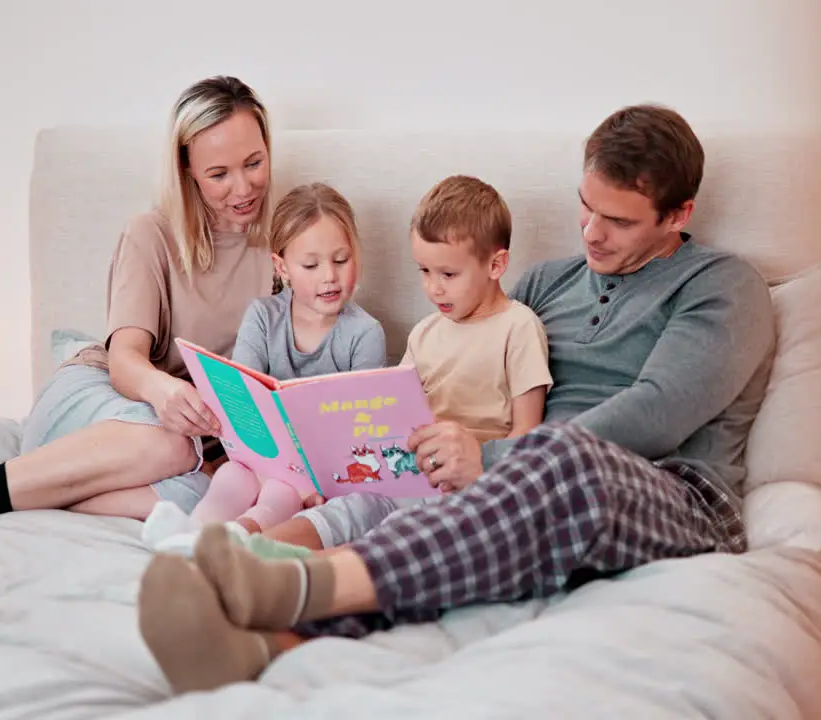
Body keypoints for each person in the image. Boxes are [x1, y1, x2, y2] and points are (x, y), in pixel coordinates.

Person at [136, 102, 779, 694]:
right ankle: (264, 639)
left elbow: (659, 411)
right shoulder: (548, 283)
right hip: (530, 488)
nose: (589, 233)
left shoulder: (722, 287)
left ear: (679, 215)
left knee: (561, 462)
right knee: (421, 511)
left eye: (617, 221)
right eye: (585, 207)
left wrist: (497, 460)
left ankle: (291, 580)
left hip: (671, 495)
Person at [0, 76, 278, 527]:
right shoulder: (152, 234)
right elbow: (125, 362)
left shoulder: (286, 246)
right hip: (103, 398)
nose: (242, 188)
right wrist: (165, 391)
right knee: (172, 446)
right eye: (219, 174)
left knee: (206, 498)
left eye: (254, 163)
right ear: (188, 173)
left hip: (186, 438)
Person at [272, 174, 553, 551]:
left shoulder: (518, 328)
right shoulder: (423, 333)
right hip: (403, 472)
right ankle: (239, 552)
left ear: (496, 264)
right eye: (424, 271)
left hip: (463, 487)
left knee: (393, 538)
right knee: (341, 512)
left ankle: (305, 580)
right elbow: (390, 412)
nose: (433, 288)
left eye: (448, 274)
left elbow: (528, 437)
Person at [188, 182, 387, 529]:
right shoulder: (263, 317)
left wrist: (302, 479)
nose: (330, 276)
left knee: (282, 491)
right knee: (233, 475)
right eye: (311, 265)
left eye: (341, 260)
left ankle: (241, 537)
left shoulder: (364, 334)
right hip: (261, 457)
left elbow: (359, 433)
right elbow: (242, 403)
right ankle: (187, 533)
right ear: (282, 268)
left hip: (325, 473)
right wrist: (264, 466)